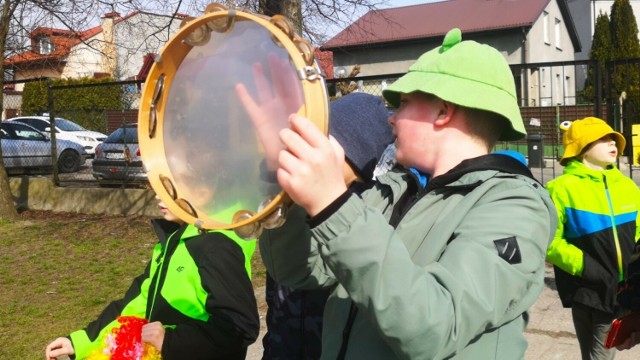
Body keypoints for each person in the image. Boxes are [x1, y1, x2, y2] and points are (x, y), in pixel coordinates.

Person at [254, 27, 557, 359]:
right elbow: (299, 270)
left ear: (443, 111)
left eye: (405, 103)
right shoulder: (395, 189)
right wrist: (288, 187)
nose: (391, 118)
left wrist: (332, 205)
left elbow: (435, 326)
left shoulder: (514, 206)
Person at [45, 189, 260, 359]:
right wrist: (80, 341)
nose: (157, 195)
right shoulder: (177, 239)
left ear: (202, 190)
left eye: (169, 189)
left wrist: (170, 341)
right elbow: (137, 302)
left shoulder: (216, 249)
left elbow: (240, 327)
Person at [260, 93, 394, 359]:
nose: (308, 153)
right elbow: (278, 292)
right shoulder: (298, 203)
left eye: (323, 144)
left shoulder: (369, 223)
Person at [545, 117, 640, 360]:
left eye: (614, 139)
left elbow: (638, 235)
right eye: (604, 139)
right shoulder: (561, 188)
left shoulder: (628, 186)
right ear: (581, 147)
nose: (613, 143)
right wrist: (588, 268)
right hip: (590, 292)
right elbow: (549, 241)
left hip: (628, 292)